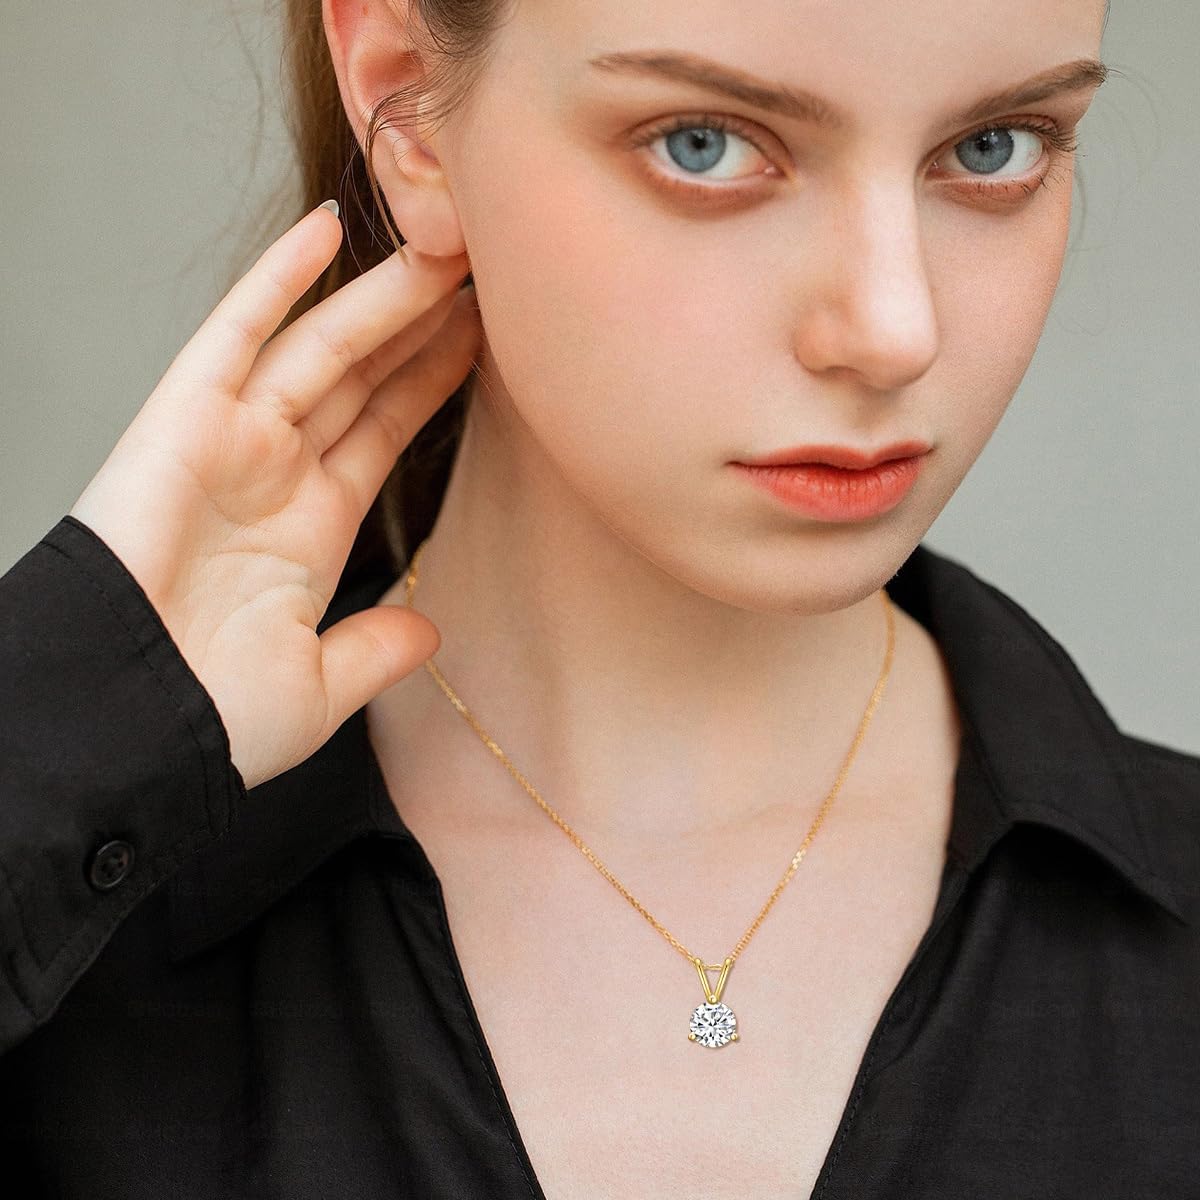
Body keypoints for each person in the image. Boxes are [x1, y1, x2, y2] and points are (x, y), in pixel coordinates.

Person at [1, 0, 1196, 1195]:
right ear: (407, 99)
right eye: (705, 144)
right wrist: (59, 721)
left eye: (994, 145)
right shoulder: (72, 926)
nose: (893, 331)